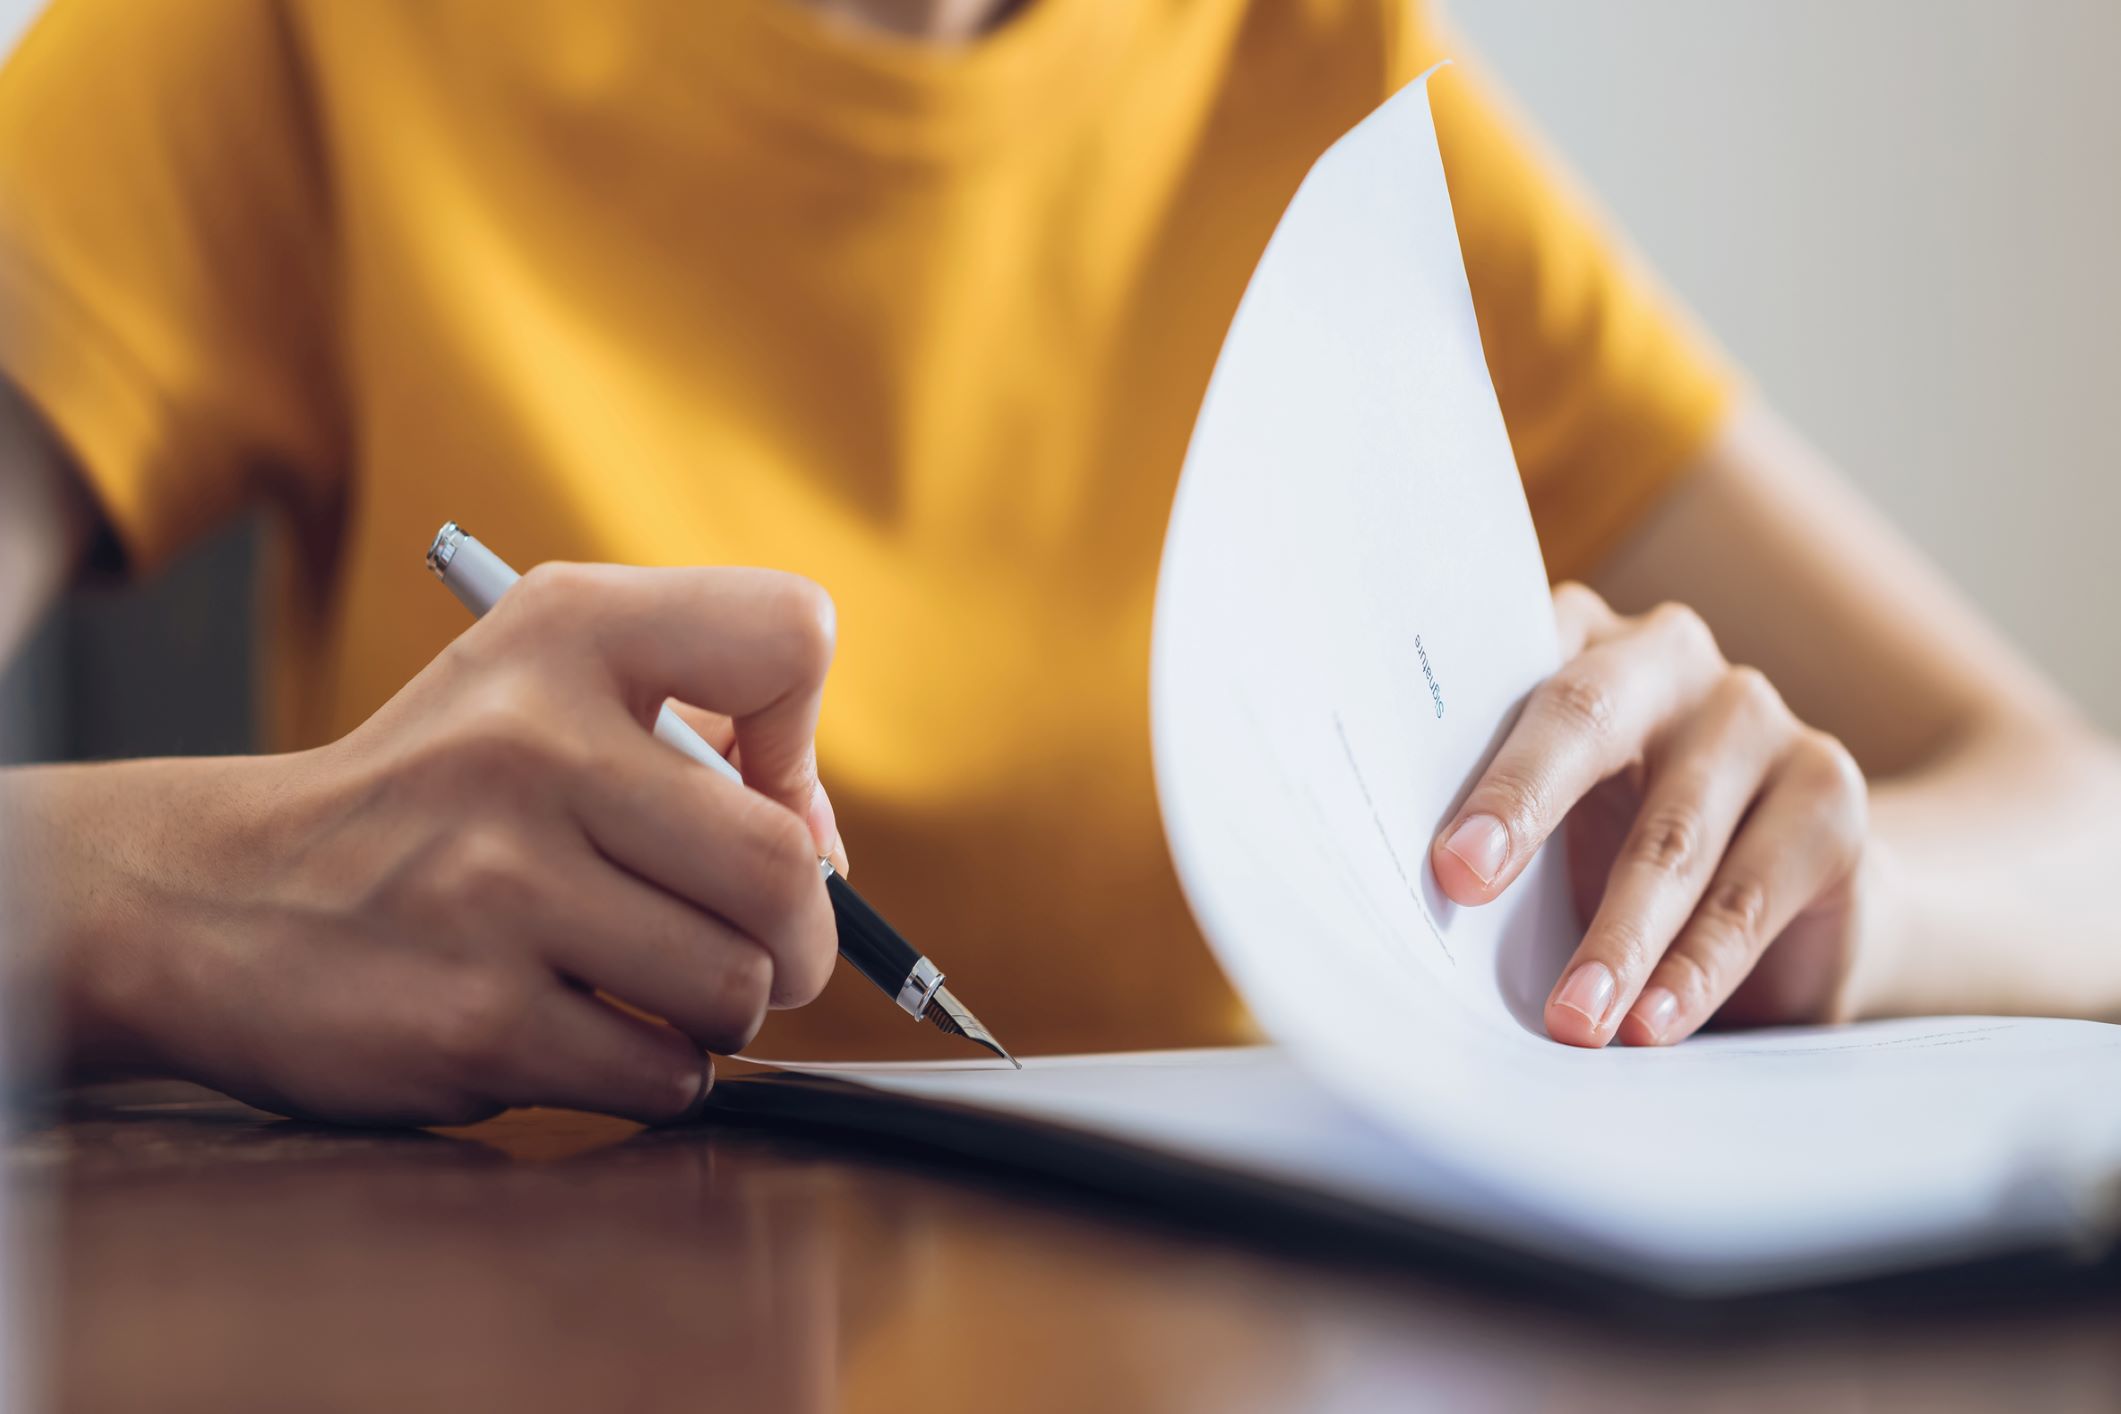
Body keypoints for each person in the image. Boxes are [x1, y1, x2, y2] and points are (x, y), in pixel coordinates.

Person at [1, 0, 2116, 1127]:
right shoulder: (289, 26)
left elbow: (2081, 825)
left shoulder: (1319, 76)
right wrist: (190, 895)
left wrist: (1833, 900)